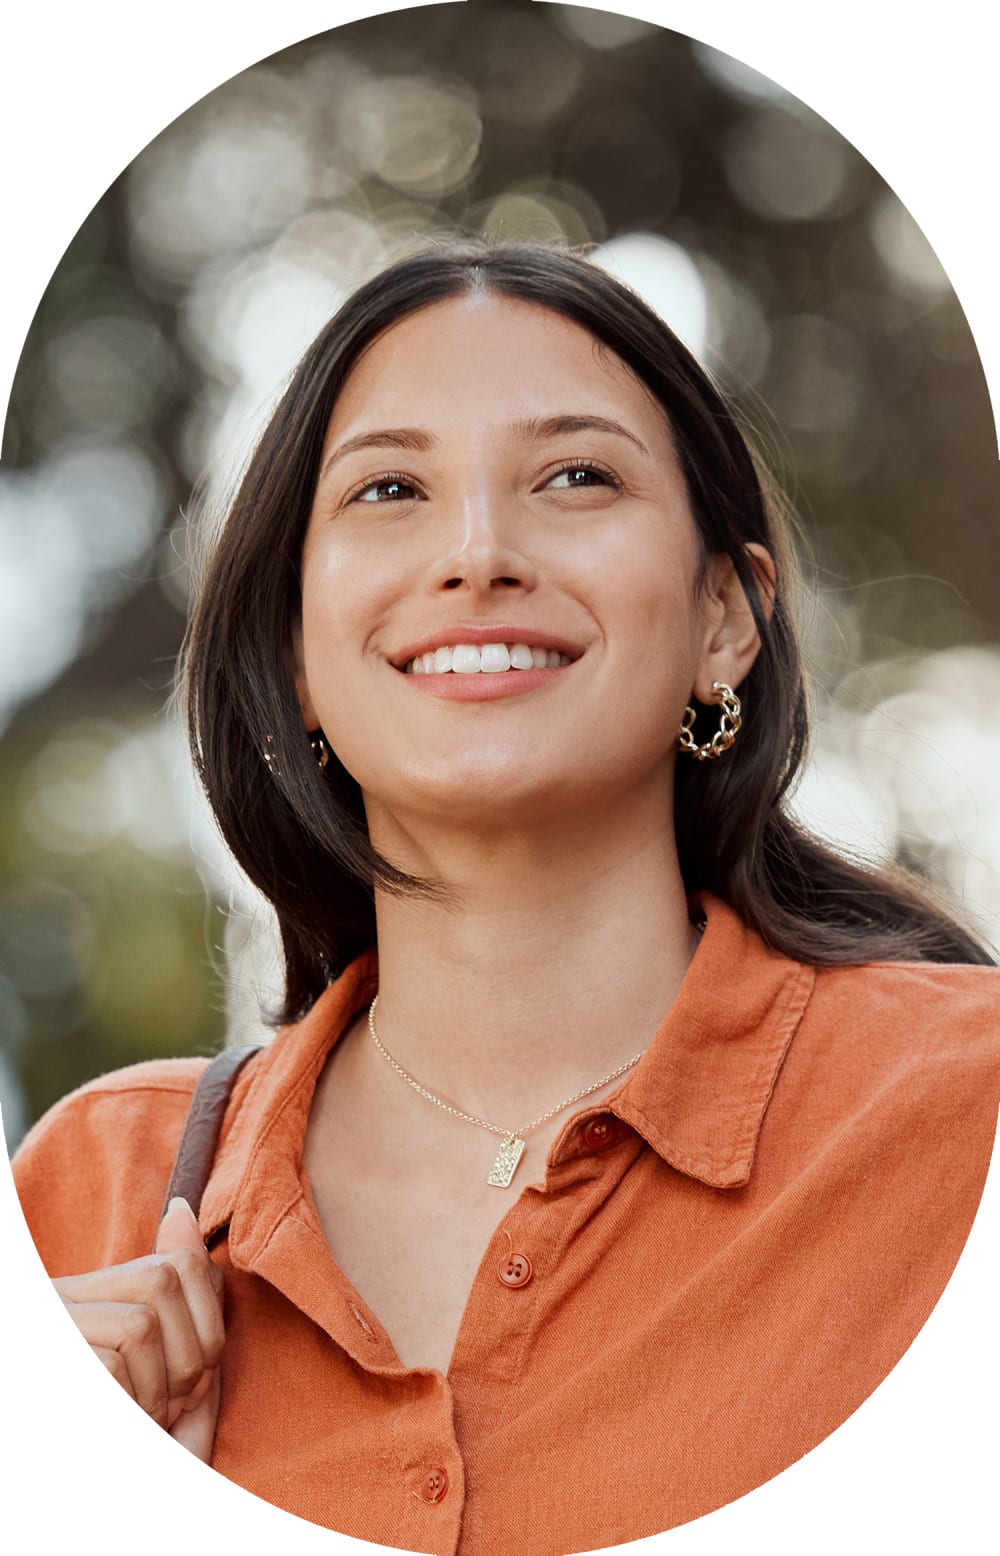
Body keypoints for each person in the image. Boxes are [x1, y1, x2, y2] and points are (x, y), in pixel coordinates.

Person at [11, 242, 999, 1556]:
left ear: (726, 620)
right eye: (391, 488)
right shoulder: (88, 1196)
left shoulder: (965, 1109)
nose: (478, 552)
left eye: (576, 476)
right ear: (295, 657)